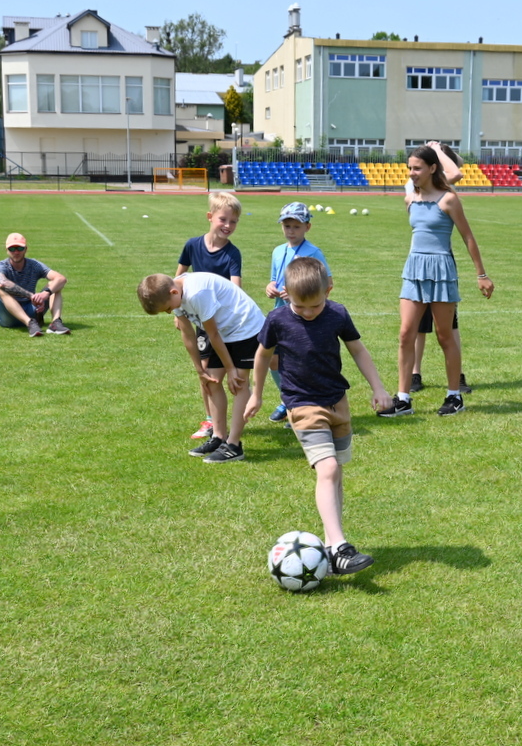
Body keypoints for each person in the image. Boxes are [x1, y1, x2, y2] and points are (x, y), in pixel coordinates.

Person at [244, 258, 391, 575]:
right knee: (327, 468)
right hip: (302, 404)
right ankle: (339, 546)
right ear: (286, 295)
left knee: (336, 472)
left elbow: (358, 350)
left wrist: (378, 387)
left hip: (337, 403)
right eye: (300, 307)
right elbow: (262, 356)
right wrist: (257, 394)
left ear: (329, 290)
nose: (309, 313)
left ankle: (330, 546)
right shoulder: (278, 320)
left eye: (316, 306)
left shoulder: (337, 313)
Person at [379, 145, 494, 418]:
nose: (412, 173)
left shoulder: (449, 200)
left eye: (417, 168)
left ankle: (454, 396)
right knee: (406, 333)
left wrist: (481, 274)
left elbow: (468, 237)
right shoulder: (409, 200)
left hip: (442, 270)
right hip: (414, 270)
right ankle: (403, 398)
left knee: (445, 336)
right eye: (410, 168)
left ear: (432, 169)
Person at [138, 271, 264, 463]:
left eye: (167, 308)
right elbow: (188, 334)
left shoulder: (197, 293)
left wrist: (230, 368)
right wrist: (199, 370)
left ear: (173, 292)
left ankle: (234, 445)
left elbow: (212, 334)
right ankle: (219, 437)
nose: (169, 312)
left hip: (243, 327)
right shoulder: (176, 296)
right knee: (210, 382)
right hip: (222, 332)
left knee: (238, 382)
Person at [405, 142, 473, 396]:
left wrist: (440, 152)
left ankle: (454, 377)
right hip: (419, 264)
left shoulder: (442, 192)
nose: (412, 171)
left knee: (447, 327)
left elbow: (456, 170)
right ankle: (414, 374)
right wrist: (439, 153)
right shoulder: (414, 185)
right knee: (415, 327)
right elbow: (455, 174)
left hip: (440, 262)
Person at [177, 192, 244, 440]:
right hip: (201, 319)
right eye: (223, 219)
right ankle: (210, 419)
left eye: (233, 221)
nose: (228, 226)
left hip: (225, 322)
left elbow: (236, 288)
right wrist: (178, 311)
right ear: (210, 217)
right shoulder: (192, 245)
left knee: (232, 368)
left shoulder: (232, 254)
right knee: (205, 369)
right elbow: (178, 278)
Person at [264, 202, 332, 424]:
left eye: (296, 226)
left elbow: (327, 284)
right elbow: (275, 278)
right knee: (273, 358)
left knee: (301, 361)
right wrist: (270, 287)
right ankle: (288, 399)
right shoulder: (277, 251)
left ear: (307, 227)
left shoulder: (314, 253)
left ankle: (305, 404)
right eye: (287, 226)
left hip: (304, 316)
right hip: (280, 314)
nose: (291, 231)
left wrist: (301, 298)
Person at [0, 232, 70, 336]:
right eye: (12, 249)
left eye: (20, 248)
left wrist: (45, 294)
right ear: (7, 250)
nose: (16, 252)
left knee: (55, 285)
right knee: (1, 290)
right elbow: (2, 282)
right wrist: (31, 296)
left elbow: (61, 279)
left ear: (26, 249)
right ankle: (30, 323)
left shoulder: (34, 265)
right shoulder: (1, 266)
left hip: (31, 309)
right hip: (7, 316)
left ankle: (55, 323)